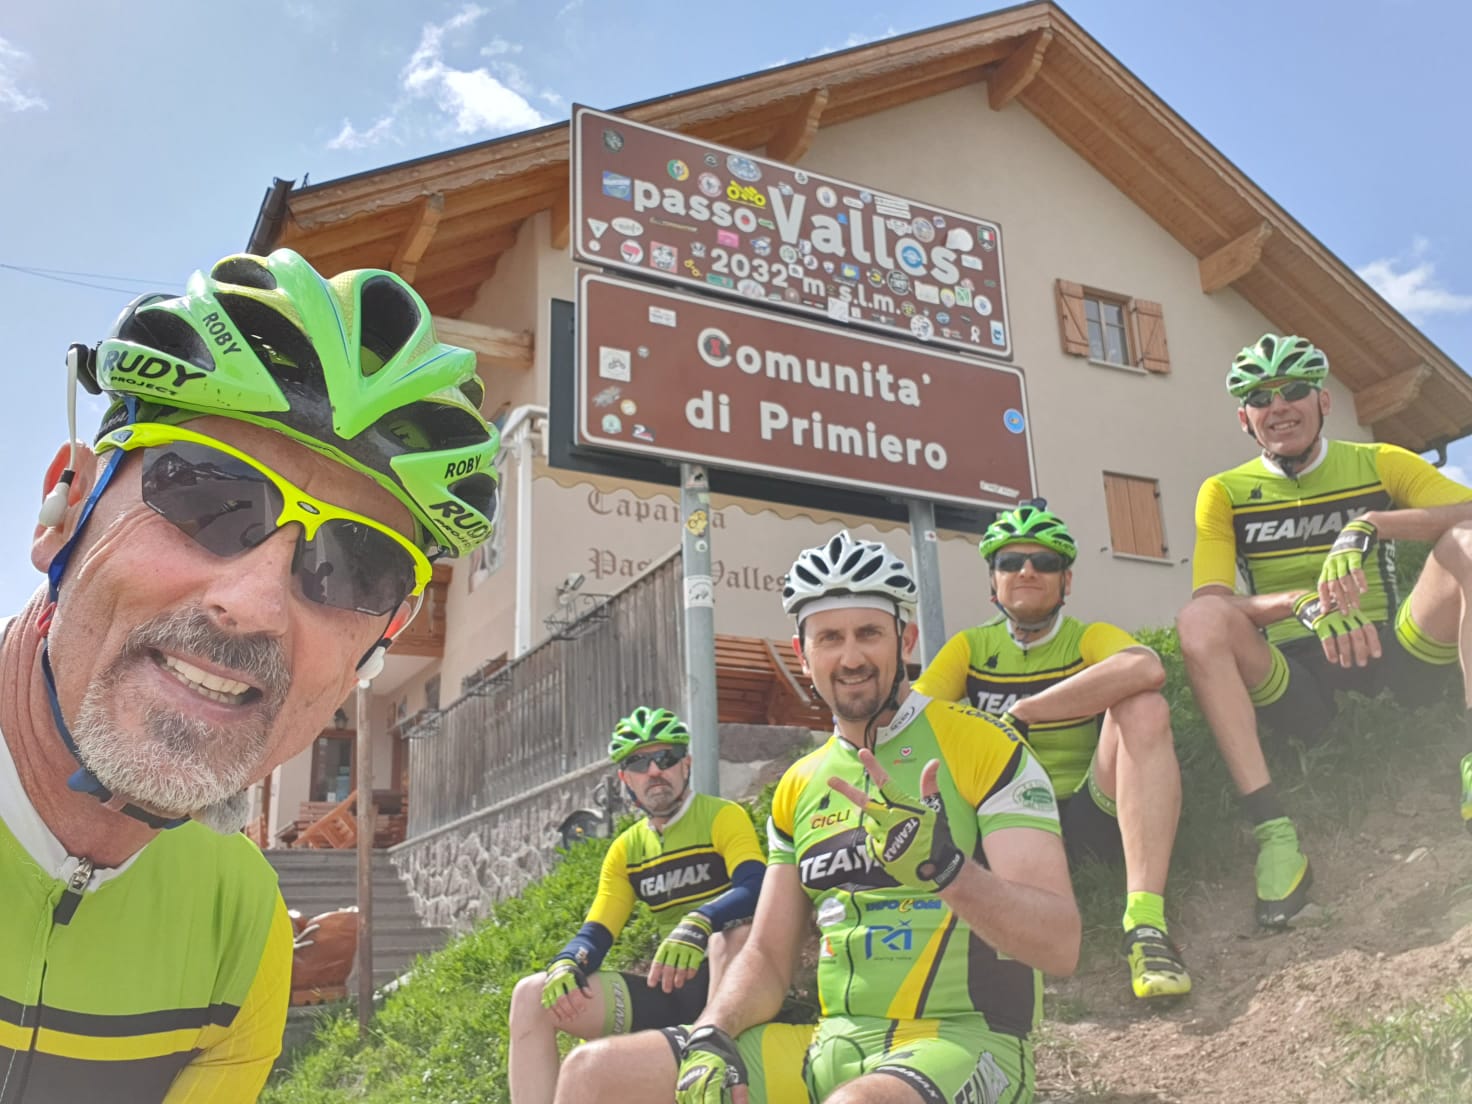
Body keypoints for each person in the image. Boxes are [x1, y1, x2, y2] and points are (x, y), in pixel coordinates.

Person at [1, 248, 500, 1101]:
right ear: (66, 506)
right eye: (207, 494)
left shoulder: (243, 929)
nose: (256, 603)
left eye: (358, 563)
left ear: (384, 637)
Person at [553, 531, 1079, 1104]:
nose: (850, 658)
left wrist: (947, 870)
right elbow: (767, 957)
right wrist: (712, 1031)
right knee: (593, 1074)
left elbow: (1059, 945)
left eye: (869, 633)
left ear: (906, 639)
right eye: (830, 638)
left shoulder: (983, 745)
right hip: (829, 1047)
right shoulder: (799, 785)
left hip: (965, 1041)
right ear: (802, 655)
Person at [1177, 333, 1472, 929]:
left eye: (1293, 390)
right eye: (1260, 397)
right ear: (1244, 418)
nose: (1278, 406)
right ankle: (1274, 834)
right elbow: (1212, 602)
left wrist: (1373, 524)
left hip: (1394, 651)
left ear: (1323, 401)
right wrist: (1298, 603)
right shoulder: (1224, 492)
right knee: (1198, 620)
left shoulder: (1379, 461)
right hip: (1298, 678)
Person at [913, 502, 1189, 1001]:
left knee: (1145, 707)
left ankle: (1145, 924)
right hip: (1002, 826)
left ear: (1067, 581)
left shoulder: (1086, 639)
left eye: (1044, 562)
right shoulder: (969, 648)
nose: (1026, 571)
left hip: (1085, 811)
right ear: (992, 580)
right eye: (1009, 562)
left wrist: (1028, 711)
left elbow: (1145, 667)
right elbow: (910, 721)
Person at [508, 707, 766, 1104]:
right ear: (625, 779)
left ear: (686, 765)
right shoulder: (625, 849)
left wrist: (701, 921)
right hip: (667, 992)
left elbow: (757, 885)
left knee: (732, 936)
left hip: (725, 984)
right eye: (639, 763)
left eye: (665, 758)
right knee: (531, 994)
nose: (654, 771)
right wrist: (568, 961)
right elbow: (597, 931)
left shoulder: (722, 816)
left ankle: (714, 1049)